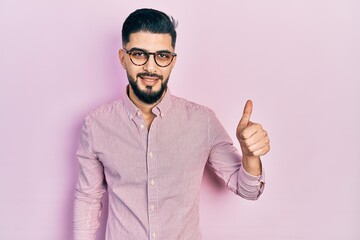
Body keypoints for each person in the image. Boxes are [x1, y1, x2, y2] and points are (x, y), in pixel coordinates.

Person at [74, 8, 270, 240]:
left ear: (172, 61)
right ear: (123, 58)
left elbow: (248, 191)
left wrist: (250, 155)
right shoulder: (96, 125)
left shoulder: (202, 121)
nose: (150, 67)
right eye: (139, 54)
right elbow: (88, 198)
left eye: (162, 56)